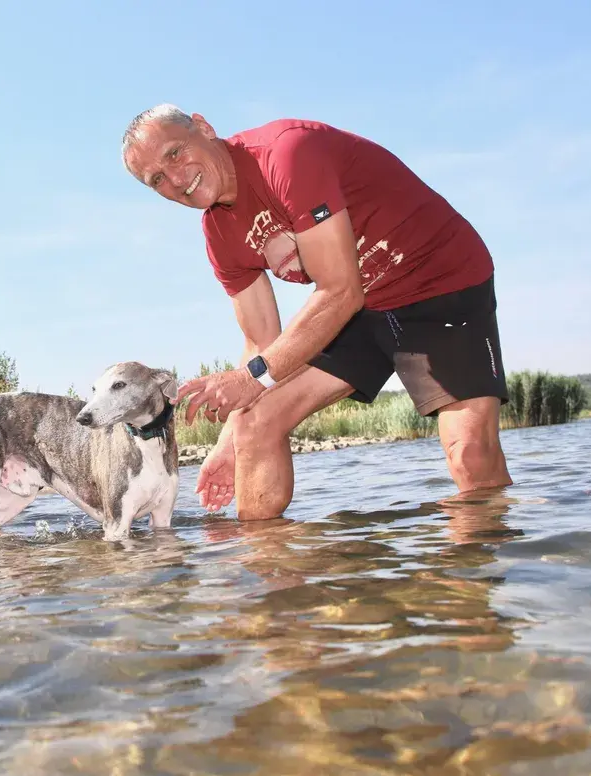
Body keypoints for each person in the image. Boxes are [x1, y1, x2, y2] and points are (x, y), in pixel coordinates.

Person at [121, 105, 512, 520]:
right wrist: (227, 441)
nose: (175, 178)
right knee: (254, 424)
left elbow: (340, 291)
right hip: (360, 309)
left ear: (203, 127)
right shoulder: (219, 235)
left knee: (468, 452)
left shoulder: (286, 154)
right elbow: (260, 341)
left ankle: (484, 556)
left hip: (438, 279)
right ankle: (265, 559)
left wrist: (251, 378)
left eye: (175, 153)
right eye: (156, 179)